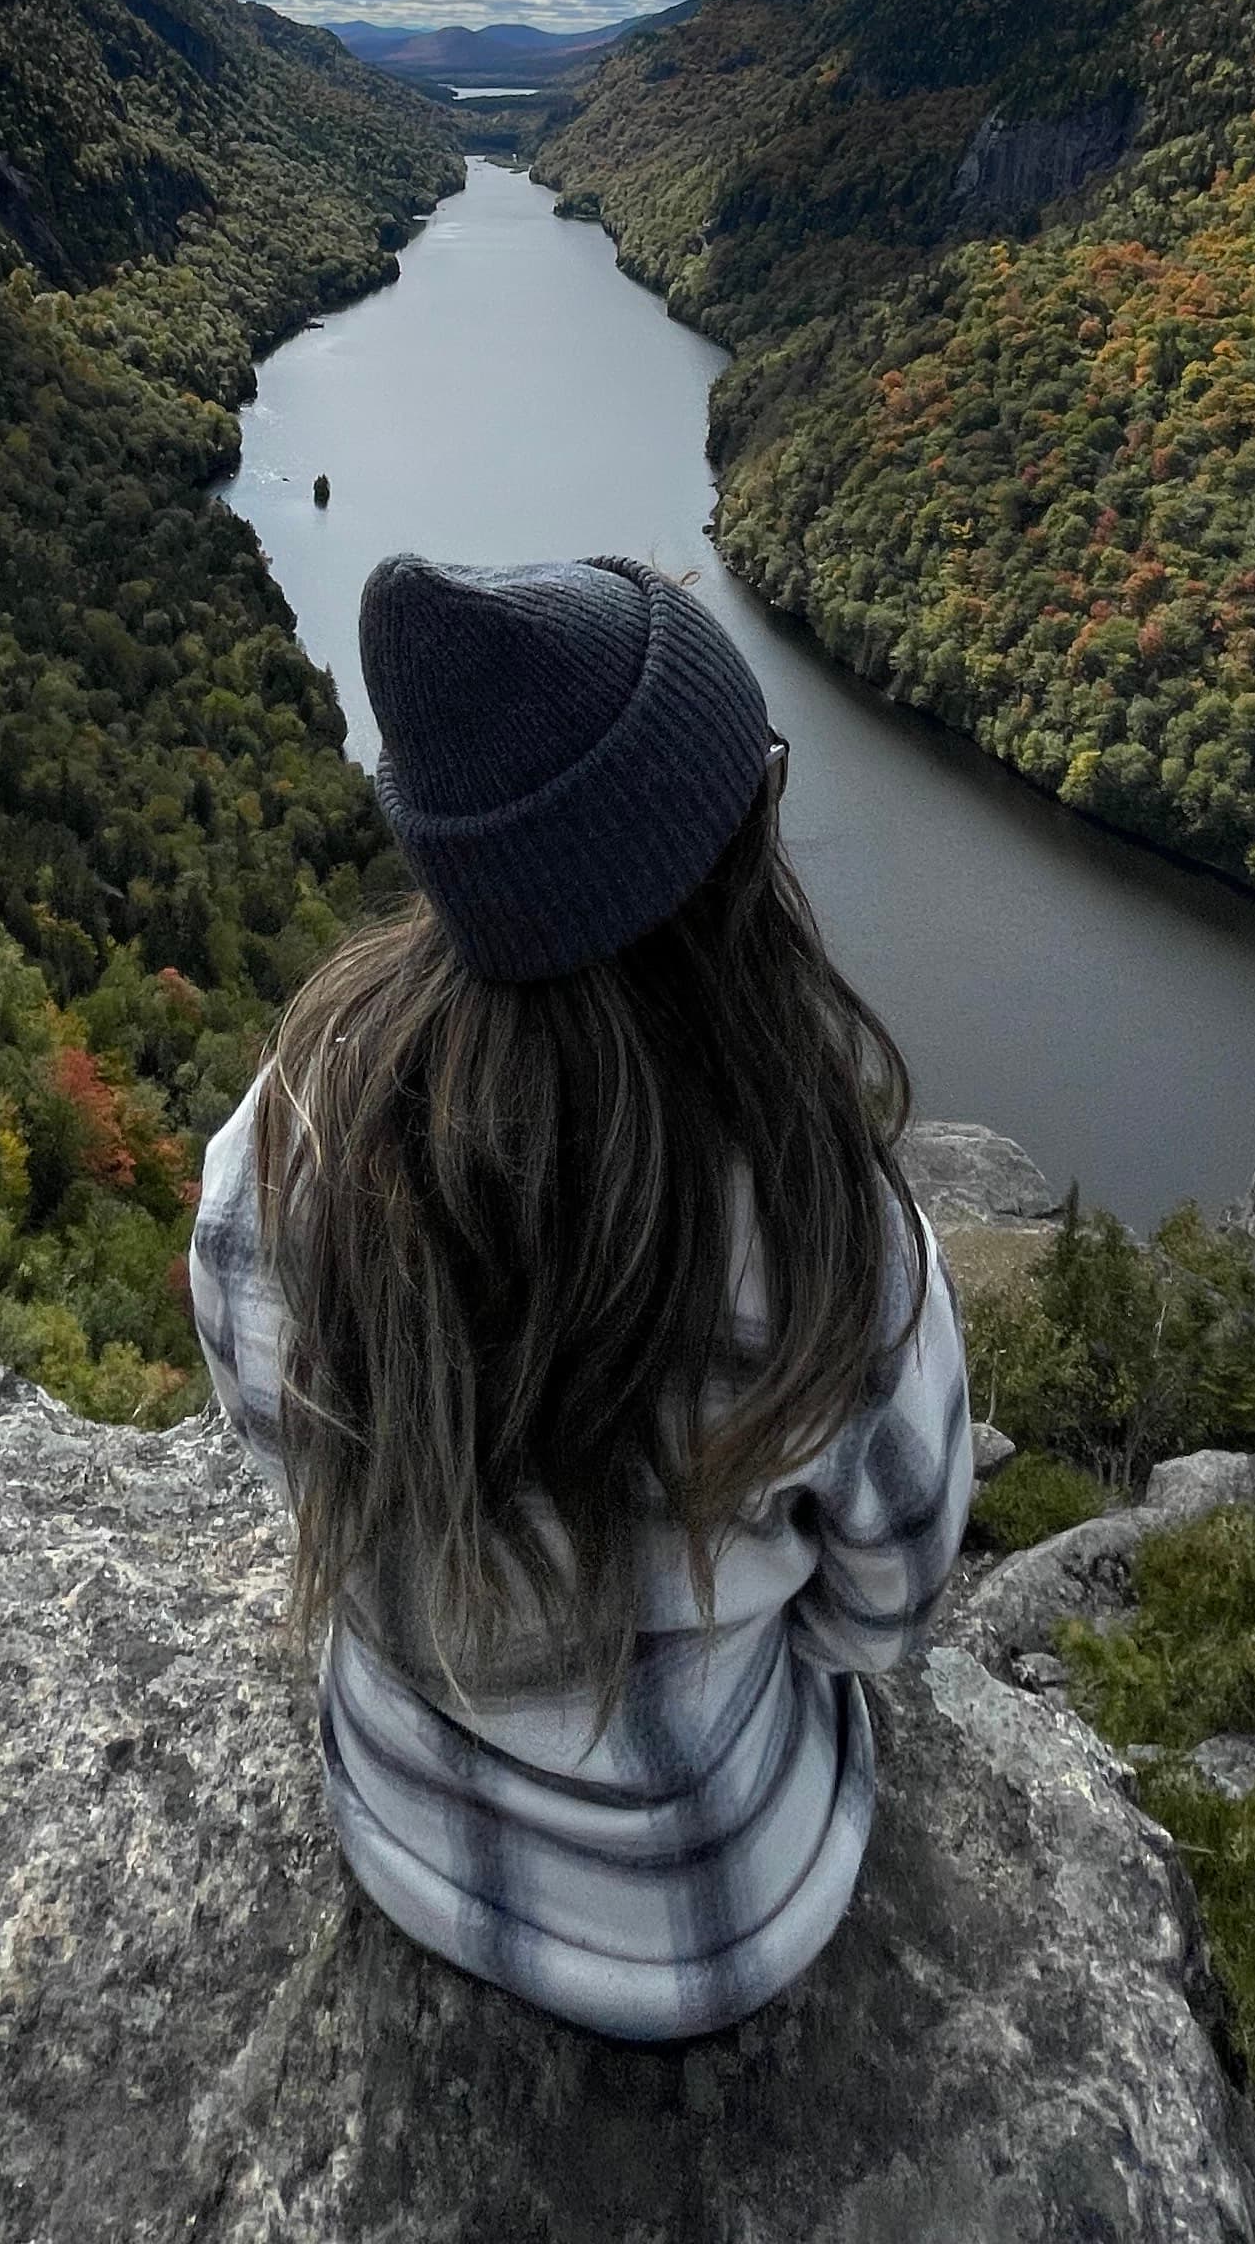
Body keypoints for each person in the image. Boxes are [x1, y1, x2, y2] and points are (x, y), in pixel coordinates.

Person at [189, 548, 972, 2046]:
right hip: (720, 1905)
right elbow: (884, 1607)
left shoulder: (293, 1136)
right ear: (716, 863)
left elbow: (266, 1409)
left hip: (406, 1838)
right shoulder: (830, 1242)